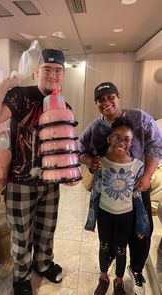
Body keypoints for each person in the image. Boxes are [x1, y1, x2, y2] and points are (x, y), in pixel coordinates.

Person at [0, 49, 66, 295]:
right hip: (20, 182)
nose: (52, 74)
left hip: (51, 182)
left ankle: (44, 263)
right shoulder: (20, 96)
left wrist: (69, 174)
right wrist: (2, 87)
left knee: (46, 229)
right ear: (37, 71)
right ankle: (21, 277)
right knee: (21, 234)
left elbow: (63, 148)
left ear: (63, 75)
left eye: (58, 70)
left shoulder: (63, 104)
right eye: (47, 69)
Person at [79, 81, 162, 295]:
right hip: (108, 194)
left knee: (141, 232)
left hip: (137, 187)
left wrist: (146, 175)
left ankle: (135, 271)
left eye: (110, 97)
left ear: (119, 97)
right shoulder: (95, 128)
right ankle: (106, 271)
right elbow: (81, 150)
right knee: (108, 237)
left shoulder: (140, 119)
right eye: (101, 100)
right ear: (97, 104)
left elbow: (156, 145)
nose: (106, 102)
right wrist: (90, 162)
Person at [84, 117, 150, 295]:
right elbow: (94, 191)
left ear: (132, 142)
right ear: (109, 139)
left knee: (121, 249)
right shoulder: (100, 163)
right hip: (104, 214)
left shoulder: (137, 166)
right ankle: (103, 277)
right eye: (117, 137)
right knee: (104, 245)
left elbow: (137, 197)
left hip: (125, 216)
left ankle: (118, 282)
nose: (122, 142)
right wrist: (91, 219)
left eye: (126, 139)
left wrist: (142, 223)